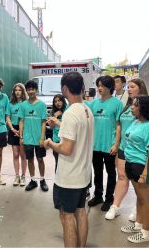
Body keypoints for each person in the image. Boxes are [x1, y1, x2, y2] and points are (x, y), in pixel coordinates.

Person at [44, 71, 93, 247]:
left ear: (65, 89)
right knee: (81, 212)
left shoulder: (70, 113)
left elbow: (66, 148)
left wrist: (50, 143)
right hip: (83, 174)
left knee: (66, 216)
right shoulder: (87, 110)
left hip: (68, 178)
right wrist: (59, 124)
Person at [105, 79, 148, 221]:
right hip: (123, 148)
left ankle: (139, 208)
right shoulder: (126, 106)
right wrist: (116, 144)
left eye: (132, 87)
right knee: (122, 177)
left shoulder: (148, 106)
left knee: (138, 183)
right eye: (128, 87)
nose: (128, 89)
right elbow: (118, 125)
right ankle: (115, 206)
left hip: (139, 152)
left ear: (141, 88)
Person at [120, 95, 149, 243]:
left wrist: (145, 172)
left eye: (135, 105)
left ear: (143, 108)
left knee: (145, 199)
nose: (132, 107)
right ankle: (138, 224)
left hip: (141, 166)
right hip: (130, 163)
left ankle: (145, 233)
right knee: (139, 197)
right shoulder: (135, 122)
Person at [87, 76, 122, 211]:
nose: (99, 88)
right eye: (98, 85)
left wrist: (116, 144)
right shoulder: (94, 103)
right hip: (95, 145)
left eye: (102, 86)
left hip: (109, 145)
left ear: (110, 87)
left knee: (111, 172)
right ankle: (98, 195)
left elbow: (119, 125)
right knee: (97, 171)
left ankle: (109, 198)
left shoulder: (117, 104)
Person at [19, 80, 48, 192]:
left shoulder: (42, 105)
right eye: (29, 89)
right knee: (30, 159)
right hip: (27, 138)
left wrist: (42, 138)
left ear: (36, 90)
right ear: (26, 90)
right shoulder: (23, 105)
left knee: (40, 159)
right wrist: (21, 136)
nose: (30, 91)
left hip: (39, 138)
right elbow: (21, 121)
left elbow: (43, 122)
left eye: (33, 89)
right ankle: (33, 180)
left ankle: (42, 180)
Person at [6, 83, 27, 186]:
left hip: (23, 130)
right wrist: (12, 129)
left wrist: (21, 131)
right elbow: (8, 117)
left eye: (20, 90)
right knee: (15, 154)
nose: (18, 92)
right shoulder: (10, 103)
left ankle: (23, 176)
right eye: (16, 90)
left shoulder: (26, 103)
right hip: (13, 129)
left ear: (23, 92)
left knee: (23, 155)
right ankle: (17, 176)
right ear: (13, 92)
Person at [47, 94, 68, 172]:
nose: (57, 103)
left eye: (59, 100)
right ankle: (57, 182)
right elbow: (52, 127)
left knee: (65, 164)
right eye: (55, 101)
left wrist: (57, 120)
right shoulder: (53, 112)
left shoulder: (68, 110)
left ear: (63, 101)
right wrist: (53, 119)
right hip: (56, 140)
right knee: (57, 163)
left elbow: (68, 127)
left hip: (66, 140)